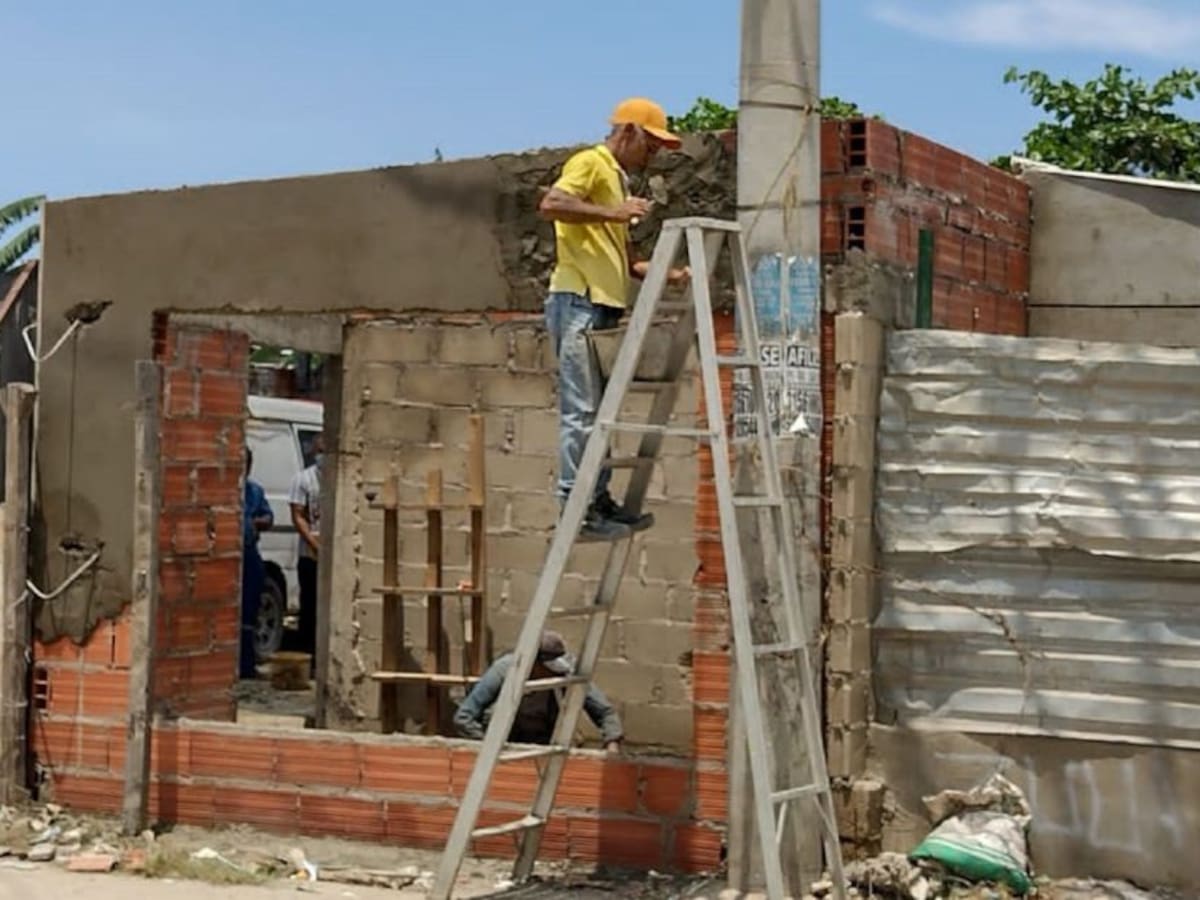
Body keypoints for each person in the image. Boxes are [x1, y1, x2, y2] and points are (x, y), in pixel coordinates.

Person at [539, 97, 691, 542]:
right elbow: (552, 204)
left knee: (600, 415)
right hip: (578, 299)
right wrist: (613, 212)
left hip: (603, 302)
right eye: (651, 144)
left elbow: (624, 261)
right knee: (582, 412)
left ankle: (597, 499)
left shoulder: (616, 180)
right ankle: (576, 508)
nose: (654, 154)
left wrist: (668, 274)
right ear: (628, 132)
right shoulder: (590, 162)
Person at [454, 631, 623, 752]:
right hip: (506, 740)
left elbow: (604, 711)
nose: (553, 673)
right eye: (548, 668)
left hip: (546, 741)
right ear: (532, 663)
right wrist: (490, 748)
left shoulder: (566, 672)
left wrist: (612, 742)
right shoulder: (504, 671)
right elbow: (464, 717)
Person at [288, 433, 322, 660]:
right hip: (310, 555)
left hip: (333, 557)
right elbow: (298, 515)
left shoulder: (339, 480)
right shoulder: (303, 479)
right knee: (309, 607)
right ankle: (307, 657)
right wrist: (315, 544)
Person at [241, 448, 274, 679]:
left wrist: (257, 522)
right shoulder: (223, 489)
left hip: (249, 552)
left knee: (250, 610)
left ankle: (246, 664)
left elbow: (268, 517)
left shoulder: (254, 491)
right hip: (228, 554)